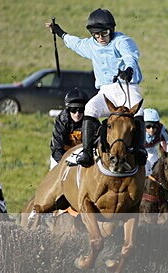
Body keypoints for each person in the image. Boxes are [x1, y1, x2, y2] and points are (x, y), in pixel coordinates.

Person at [46, 8, 147, 168]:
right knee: (90, 108)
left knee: (139, 110)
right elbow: (75, 43)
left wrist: (128, 70)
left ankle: (141, 150)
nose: (100, 38)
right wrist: (59, 32)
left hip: (126, 87)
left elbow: (130, 56)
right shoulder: (91, 45)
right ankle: (86, 153)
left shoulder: (121, 41)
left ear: (111, 30)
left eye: (104, 33)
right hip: (105, 91)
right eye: (96, 35)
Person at [50, 87, 89, 169]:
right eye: (73, 110)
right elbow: (57, 148)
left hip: (84, 156)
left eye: (81, 110)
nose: (77, 114)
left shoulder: (91, 122)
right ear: (68, 109)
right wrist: (64, 165)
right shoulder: (61, 120)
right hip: (63, 154)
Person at [143, 108, 168, 176]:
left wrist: (167, 155)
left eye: (154, 126)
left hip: (151, 150)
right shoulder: (138, 128)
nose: (151, 129)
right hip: (139, 149)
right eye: (148, 126)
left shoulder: (162, 129)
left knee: (153, 165)